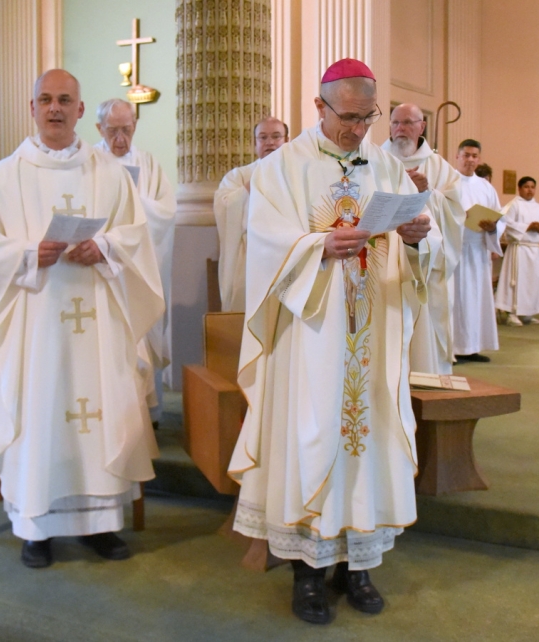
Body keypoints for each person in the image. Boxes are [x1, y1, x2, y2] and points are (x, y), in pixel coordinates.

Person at [228, 58, 432, 625]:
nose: (357, 130)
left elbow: (421, 247)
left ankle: (358, 566)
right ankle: (308, 573)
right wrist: (317, 247)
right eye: (347, 118)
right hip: (310, 336)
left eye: (367, 118)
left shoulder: (387, 169)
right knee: (312, 438)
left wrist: (418, 237)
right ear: (318, 107)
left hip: (373, 334)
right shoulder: (279, 170)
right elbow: (266, 247)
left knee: (368, 440)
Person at [0, 70, 165, 569]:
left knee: (100, 410)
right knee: (41, 411)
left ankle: (100, 524)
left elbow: (136, 235)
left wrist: (108, 246)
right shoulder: (1, 178)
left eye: (65, 100)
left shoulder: (111, 175)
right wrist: (30, 253)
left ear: (79, 110)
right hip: (34, 325)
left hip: (99, 319)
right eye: (46, 100)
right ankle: (36, 526)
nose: (55, 108)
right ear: (32, 108)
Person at [94, 99, 177, 422]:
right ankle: (111, 415)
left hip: (141, 267)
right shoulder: (88, 162)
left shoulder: (149, 165)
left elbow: (166, 212)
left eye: (126, 130)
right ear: (99, 129)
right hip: (104, 267)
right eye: (112, 131)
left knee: (144, 332)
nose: (120, 138)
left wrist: (132, 198)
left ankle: (147, 414)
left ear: (135, 127)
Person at [381, 103, 461, 374]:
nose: (400, 129)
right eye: (395, 123)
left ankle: (427, 376)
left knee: (424, 330)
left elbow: (454, 212)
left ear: (422, 126)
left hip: (424, 264)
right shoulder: (375, 160)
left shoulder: (439, 167)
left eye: (407, 122)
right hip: (384, 263)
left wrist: (428, 193)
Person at [213, 116, 289, 312]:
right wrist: (252, 183)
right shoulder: (238, 176)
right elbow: (224, 206)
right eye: (263, 137)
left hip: (287, 256)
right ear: (255, 144)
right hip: (249, 259)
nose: (270, 142)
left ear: (286, 141)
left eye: (276, 136)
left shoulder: (296, 176)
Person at [452, 139, 504, 362]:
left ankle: (473, 347)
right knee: (457, 300)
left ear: (479, 159)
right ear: (457, 156)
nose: (470, 160)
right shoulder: (448, 182)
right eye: (466, 155)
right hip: (455, 251)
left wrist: (493, 228)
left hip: (478, 251)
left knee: (476, 300)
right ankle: (454, 348)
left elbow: (499, 216)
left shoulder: (486, 187)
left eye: (474, 156)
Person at [496, 176, 539, 325]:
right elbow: (506, 222)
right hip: (519, 249)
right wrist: (527, 227)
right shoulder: (514, 205)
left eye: (532, 187)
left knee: (532, 282)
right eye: (526, 187)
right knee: (516, 282)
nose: (530, 190)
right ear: (519, 188)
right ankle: (512, 313)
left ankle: (527, 312)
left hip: (534, 250)